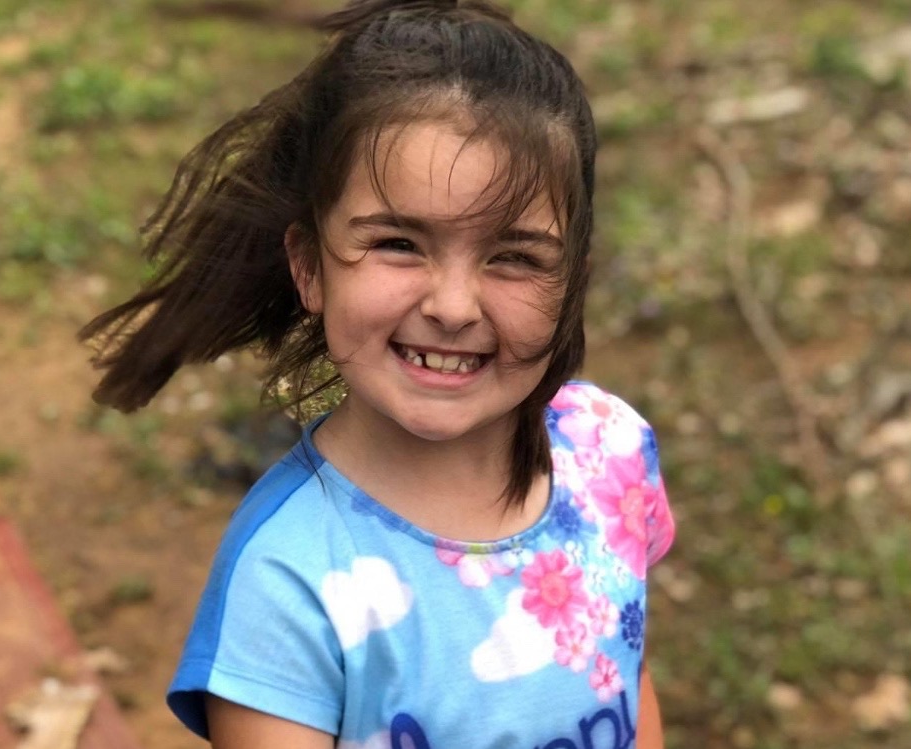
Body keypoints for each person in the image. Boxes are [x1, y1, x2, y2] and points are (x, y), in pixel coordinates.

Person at [80, 0, 676, 746]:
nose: (452, 306)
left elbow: (628, 677)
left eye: (515, 257)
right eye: (398, 244)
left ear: (572, 285)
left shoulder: (609, 451)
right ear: (309, 267)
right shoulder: (288, 578)